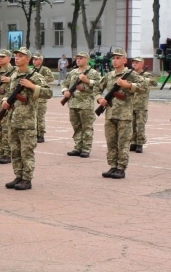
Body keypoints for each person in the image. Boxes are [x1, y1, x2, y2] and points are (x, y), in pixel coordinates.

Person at [2, 47, 52, 190]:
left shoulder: (34, 76)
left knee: (26, 151)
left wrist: (33, 87)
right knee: (15, 150)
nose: (17, 58)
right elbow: (9, 92)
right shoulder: (14, 75)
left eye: (21, 56)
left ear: (28, 59)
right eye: (16, 55)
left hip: (27, 122)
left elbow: (48, 93)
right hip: (13, 119)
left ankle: (27, 179)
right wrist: (5, 100)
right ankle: (18, 176)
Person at [95, 47, 145, 179]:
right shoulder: (109, 75)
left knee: (123, 143)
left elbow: (144, 87)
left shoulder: (131, 74)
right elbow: (96, 88)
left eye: (118, 58)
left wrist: (128, 85)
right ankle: (113, 166)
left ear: (125, 60)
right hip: (110, 114)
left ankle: (121, 168)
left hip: (124, 116)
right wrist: (100, 99)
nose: (115, 60)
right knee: (111, 142)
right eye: (114, 58)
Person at [61, 52, 100, 158]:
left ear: (87, 59)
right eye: (77, 58)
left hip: (86, 105)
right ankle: (78, 147)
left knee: (87, 127)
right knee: (76, 127)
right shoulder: (73, 72)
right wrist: (65, 91)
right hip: (73, 103)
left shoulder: (93, 73)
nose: (78, 60)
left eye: (81, 58)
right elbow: (64, 83)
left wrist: (87, 81)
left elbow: (100, 85)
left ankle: (86, 148)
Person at [130, 57, 151, 153]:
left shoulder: (147, 75)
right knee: (131, 124)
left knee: (140, 125)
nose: (134, 64)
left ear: (142, 64)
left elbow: (154, 83)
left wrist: (141, 78)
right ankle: (133, 142)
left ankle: (140, 143)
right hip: (131, 103)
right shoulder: (130, 74)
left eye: (137, 62)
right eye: (133, 62)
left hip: (141, 104)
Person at [32, 53, 53, 143]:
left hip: (41, 98)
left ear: (41, 60)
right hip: (33, 96)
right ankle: (34, 133)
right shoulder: (32, 70)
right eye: (33, 59)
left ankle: (40, 134)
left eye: (36, 59)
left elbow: (51, 78)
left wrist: (40, 80)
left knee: (40, 117)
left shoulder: (45, 69)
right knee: (33, 116)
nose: (34, 61)